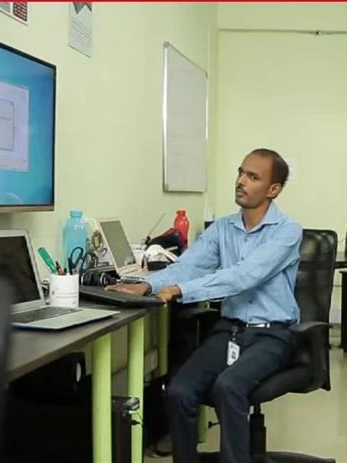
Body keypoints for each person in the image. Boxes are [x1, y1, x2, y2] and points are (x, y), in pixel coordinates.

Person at [107, 148, 302, 463]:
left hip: (272, 335)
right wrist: (146, 284)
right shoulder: (223, 229)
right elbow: (187, 266)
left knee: (228, 387)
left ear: (273, 189)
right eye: (241, 172)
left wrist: (178, 290)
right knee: (179, 391)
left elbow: (243, 277)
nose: (241, 181)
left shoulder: (287, 231)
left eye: (253, 177)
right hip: (230, 332)